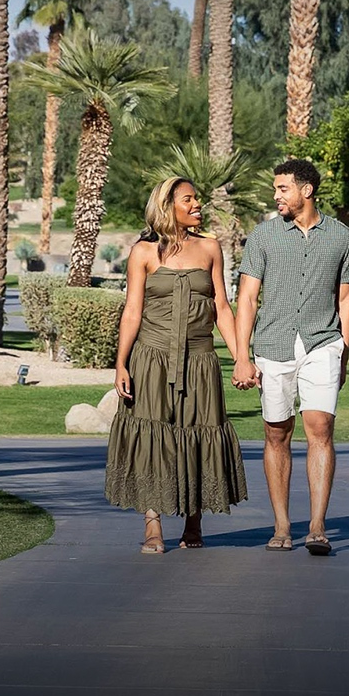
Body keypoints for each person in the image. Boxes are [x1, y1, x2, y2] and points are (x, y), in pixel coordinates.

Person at [105, 176, 250, 553]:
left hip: (201, 360)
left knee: (199, 433)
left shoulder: (210, 248)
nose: (197, 204)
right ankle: (152, 521)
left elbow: (221, 307)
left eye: (197, 198)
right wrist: (121, 363)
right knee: (153, 437)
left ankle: (193, 520)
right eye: (189, 199)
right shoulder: (143, 253)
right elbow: (132, 310)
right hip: (150, 358)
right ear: (168, 206)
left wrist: (241, 359)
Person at [232, 158, 349, 555]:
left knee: (320, 428)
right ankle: (282, 525)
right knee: (276, 432)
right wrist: (241, 356)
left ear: (306, 190)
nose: (276, 195)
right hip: (273, 346)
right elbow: (247, 298)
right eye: (275, 189)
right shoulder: (264, 236)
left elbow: (346, 296)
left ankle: (317, 526)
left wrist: (344, 353)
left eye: (282, 188)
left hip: (324, 342)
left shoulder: (340, 236)